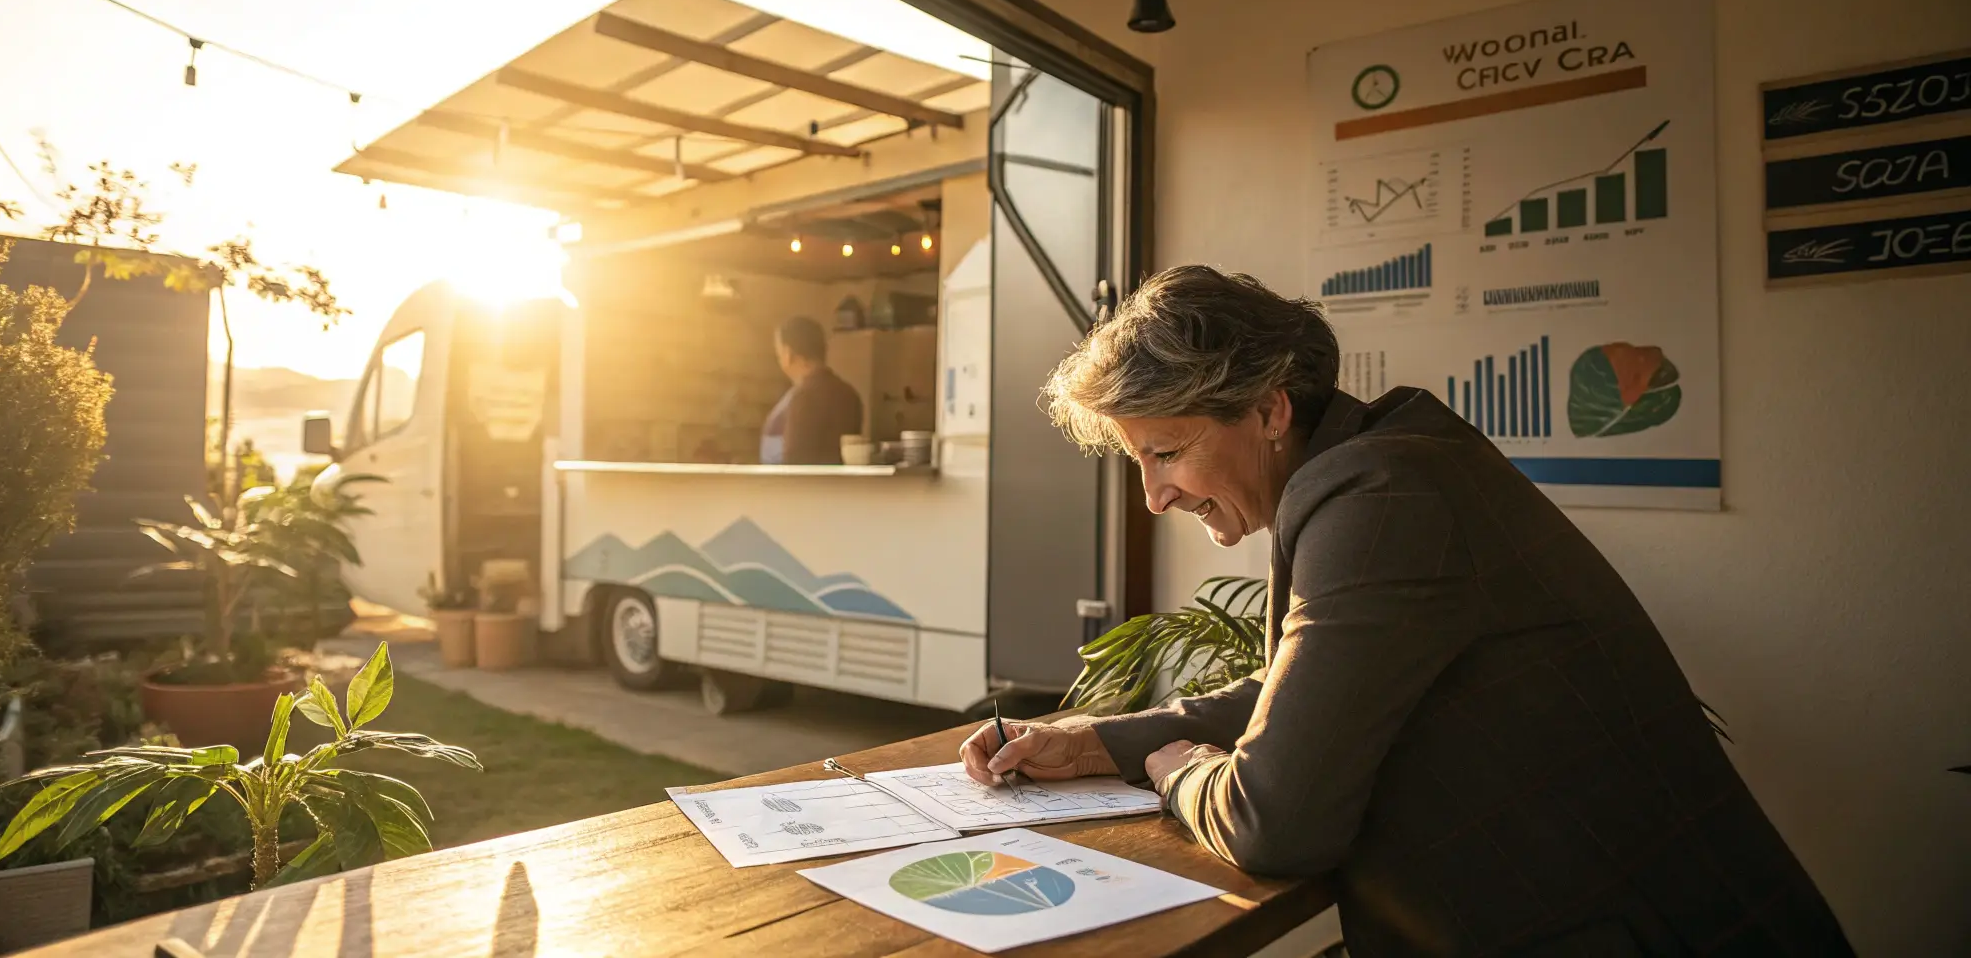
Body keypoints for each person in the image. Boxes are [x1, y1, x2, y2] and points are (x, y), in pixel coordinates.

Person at [961, 266, 1851, 956]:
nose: (1153, 497)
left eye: (1166, 454)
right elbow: (1307, 688)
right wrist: (1094, 739)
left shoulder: (1379, 495)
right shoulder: (1388, 463)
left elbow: (1275, 821)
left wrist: (1176, 765)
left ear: (1269, 411)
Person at [761, 316, 862, 465]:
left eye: (779, 354)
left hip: (795, 486)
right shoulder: (849, 394)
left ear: (788, 354)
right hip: (840, 486)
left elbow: (793, 459)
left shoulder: (804, 397)